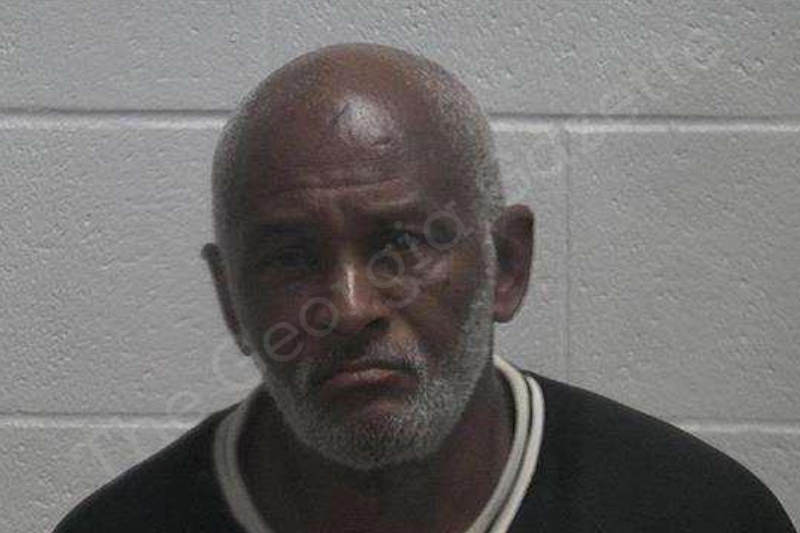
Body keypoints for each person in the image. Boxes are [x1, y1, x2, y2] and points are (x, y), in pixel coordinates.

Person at [53, 43, 796, 533]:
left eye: (401, 247)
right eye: (291, 258)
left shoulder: (700, 515)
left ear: (506, 264)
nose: (349, 308)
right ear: (229, 301)